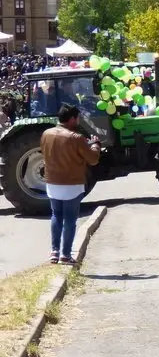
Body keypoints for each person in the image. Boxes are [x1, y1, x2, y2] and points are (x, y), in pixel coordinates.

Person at [40, 105, 101, 265]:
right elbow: (93, 159)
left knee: (56, 215)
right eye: (78, 118)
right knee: (69, 220)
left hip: (52, 182)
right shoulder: (76, 138)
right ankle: (65, 255)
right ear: (72, 119)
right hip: (72, 184)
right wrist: (95, 145)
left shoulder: (46, 134)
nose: (79, 120)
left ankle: (54, 251)